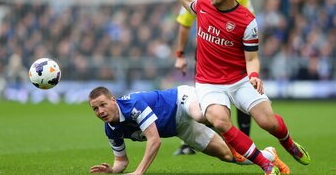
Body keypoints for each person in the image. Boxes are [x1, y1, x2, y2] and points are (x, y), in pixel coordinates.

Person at [162, 0, 310, 175]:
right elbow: (187, 1)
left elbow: (251, 58)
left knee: (267, 122)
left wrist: (254, 75)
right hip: (208, 82)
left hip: (239, 80)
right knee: (220, 121)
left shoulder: (247, 21)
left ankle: (288, 144)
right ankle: (265, 164)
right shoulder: (204, 4)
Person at [88, 85, 290, 174]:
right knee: (229, 157)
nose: (100, 111)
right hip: (180, 128)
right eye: (95, 108)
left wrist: (139, 172)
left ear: (113, 100)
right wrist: (112, 170)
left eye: (103, 104)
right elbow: (121, 162)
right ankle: (269, 155)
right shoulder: (111, 130)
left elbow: (154, 140)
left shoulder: (132, 105)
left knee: (201, 116)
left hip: (181, 100)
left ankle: (224, 99)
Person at [173, 0, 253, 156]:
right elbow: (184, 24)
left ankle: (245, 141)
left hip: (234, 54)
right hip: (207, 55)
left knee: (242, 97)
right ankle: (197, 141)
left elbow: (249, 20)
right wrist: (180, 54)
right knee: (205, 102)